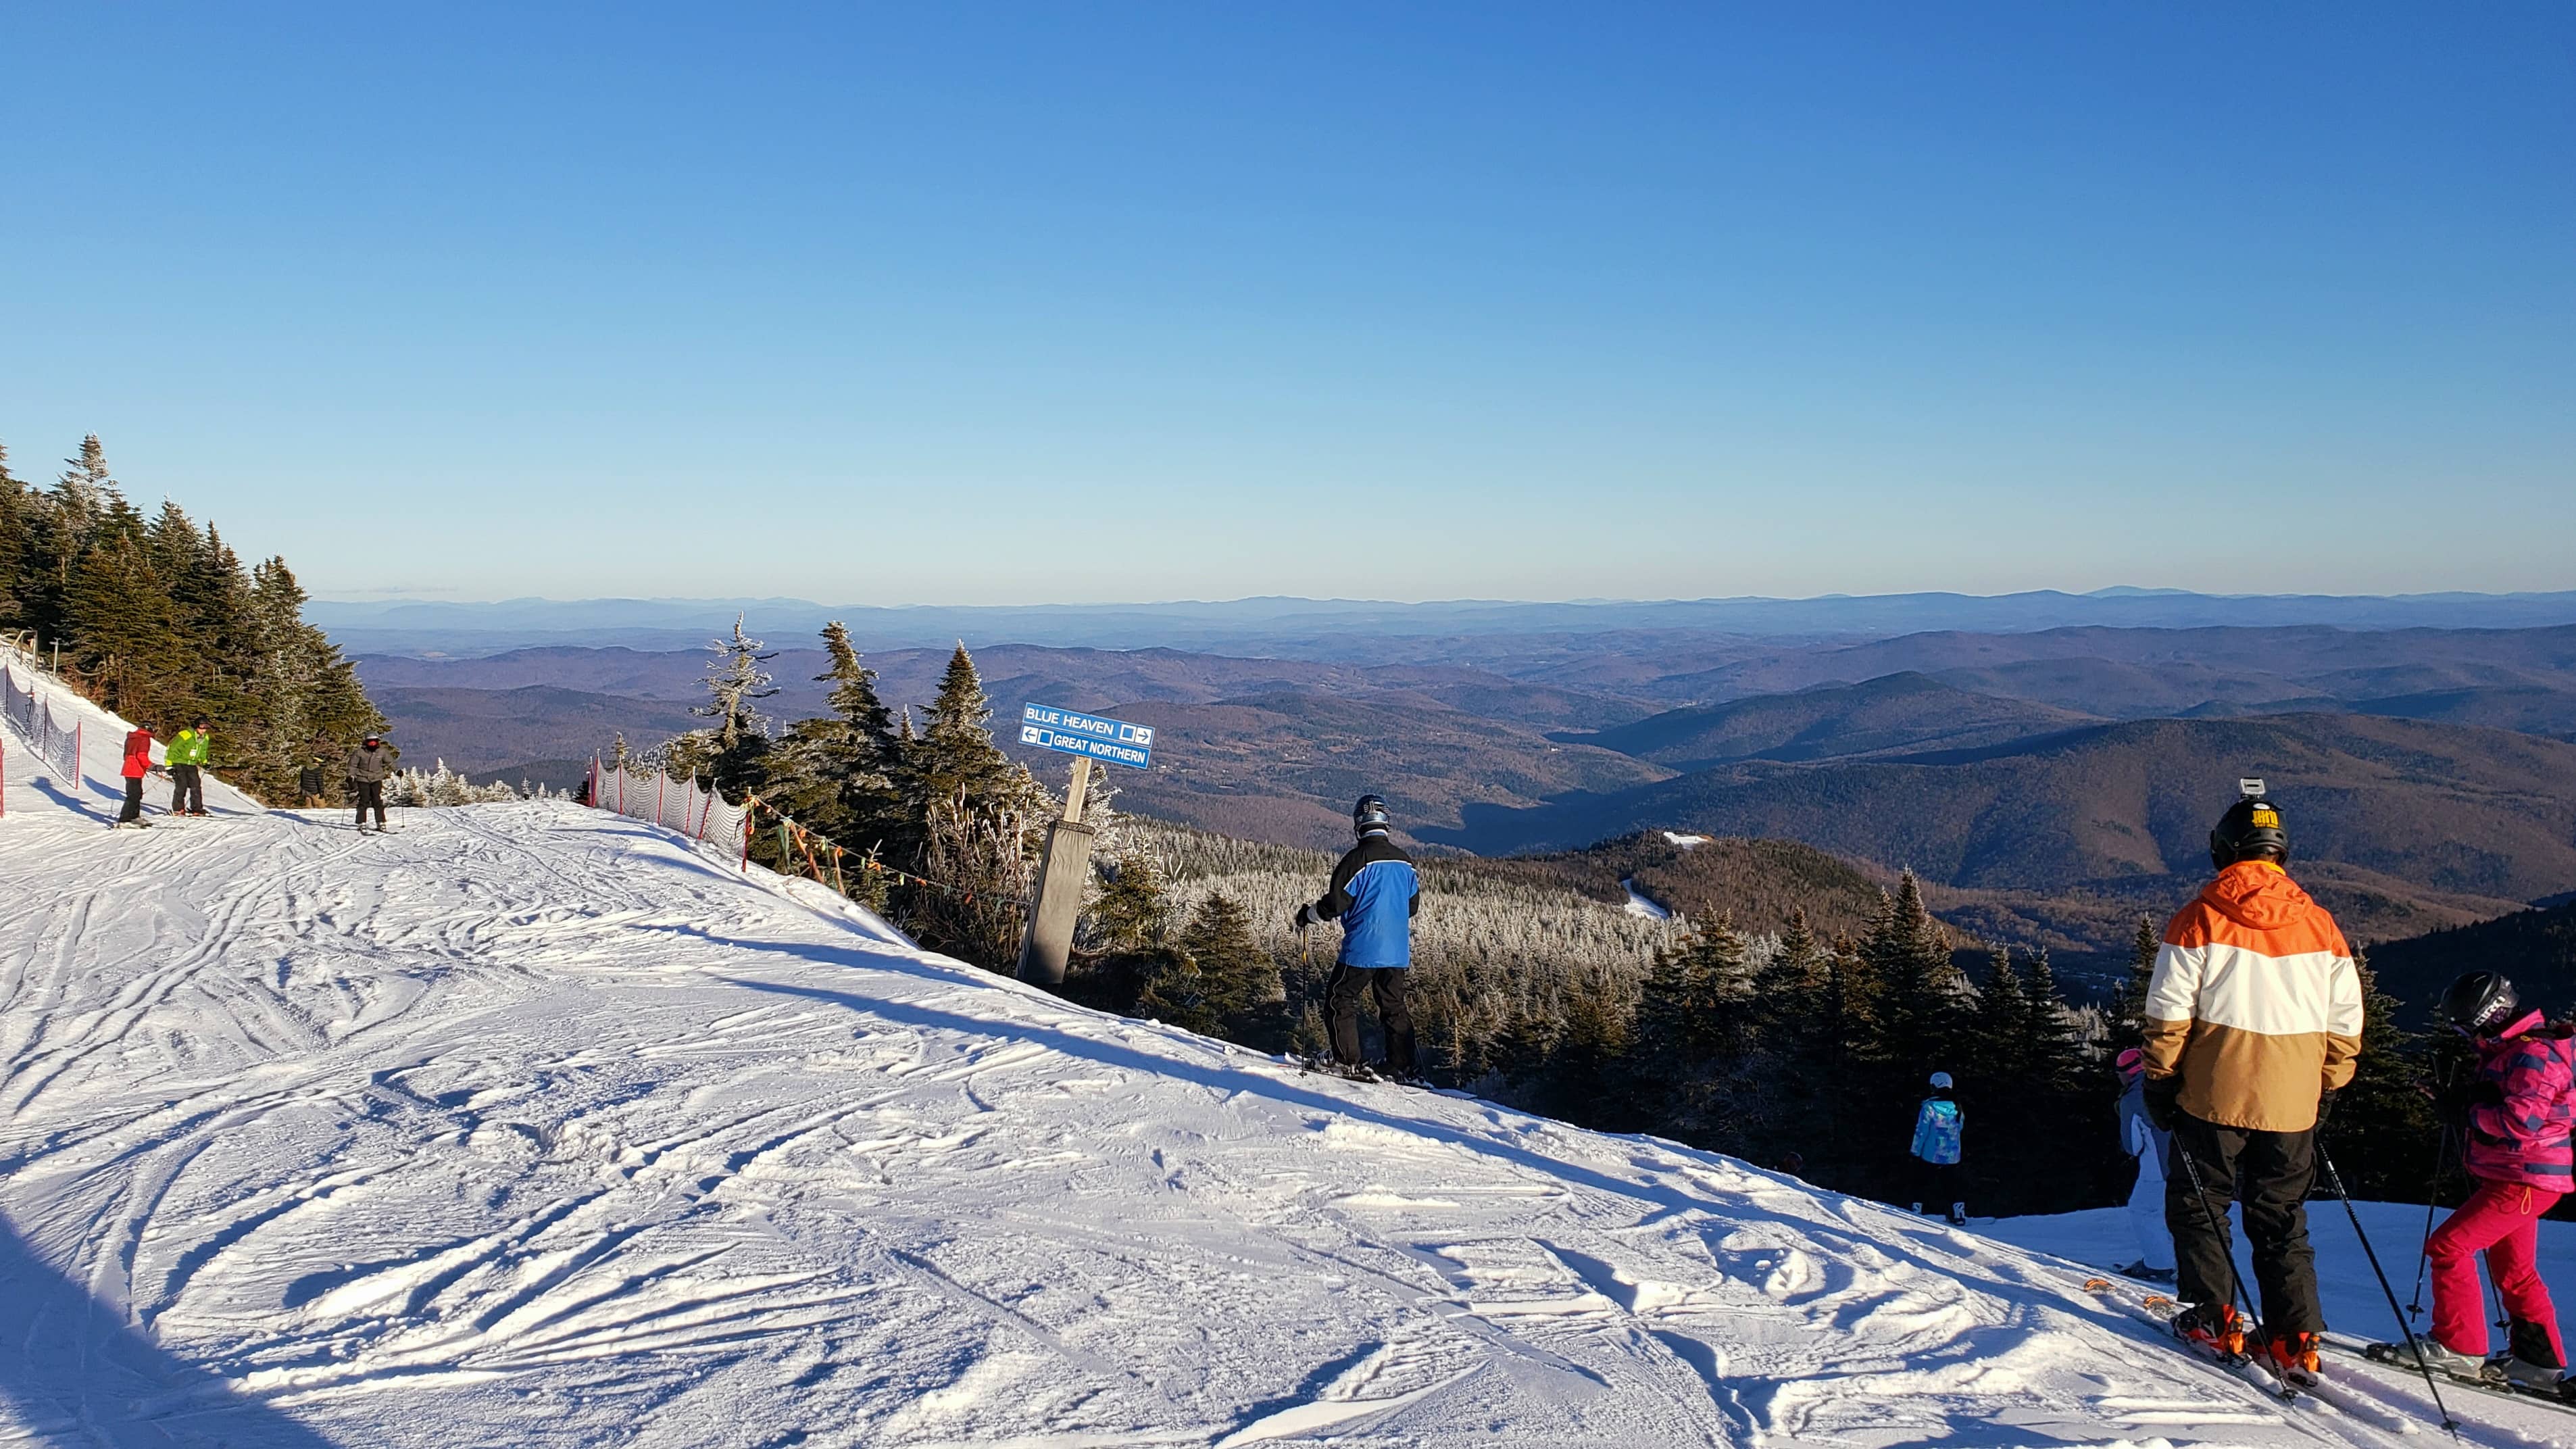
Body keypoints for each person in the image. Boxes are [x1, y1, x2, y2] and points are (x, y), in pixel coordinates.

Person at [2142, 783, 2362, 1384]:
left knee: (2200, 1204)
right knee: (2282, 1217)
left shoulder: (2199, 919)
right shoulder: (2321, 926)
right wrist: (2329, 1082)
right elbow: (2346, 1021)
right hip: (2292, 1103)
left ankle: (2215, 1317)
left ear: (2224, 851)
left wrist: (2160, 1078)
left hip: (2213, 1093)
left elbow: (2168, 1014)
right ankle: (2294, 1339)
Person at [2371, 971, 2576, 1392]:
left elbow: (2521, 1121)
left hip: (2525, 1178)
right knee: (2515, 1271)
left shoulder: (2533, 1054)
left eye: (2467, 1025)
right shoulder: (2512, 1050)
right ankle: (2537, 1361)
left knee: (2448, 1246)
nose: (2465, 1035)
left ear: (2490, 1014)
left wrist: (2466, 1112)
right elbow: (2505, 1104)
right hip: (2518, 1175)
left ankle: (2458, 1346)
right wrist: (2465, 1101)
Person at [1291, 794, 1420, 1079]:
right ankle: (1403, 1066)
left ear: (1359, 824)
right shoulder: (1405, 863)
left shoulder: (1357, 860)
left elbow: (1336, 904)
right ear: (1386, 823)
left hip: (1363, 946)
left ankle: (1346, 1059)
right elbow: (1412, 907)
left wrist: (1307, 915)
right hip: (1397, 950)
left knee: (1340, 999)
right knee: (1393, 1006)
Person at [2115, 1047, 2177, 1283]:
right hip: (2191, 1161)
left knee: (2143, 1210)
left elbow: (2133, 1145)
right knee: (2175, 1213)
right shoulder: (2168, 1084)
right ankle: (2180, 1263)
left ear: (2127, 1072)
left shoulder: (2132, 1098)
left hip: (2158, 1167)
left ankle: (2159, 1263)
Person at [1909, 1071, 1966, 1224]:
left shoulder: (1929, 1106)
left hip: (1930, 1153)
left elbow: (1921, 1131)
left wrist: (1915, 1151)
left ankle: (1916, 1211)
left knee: (1922, 1181)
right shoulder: (1957, 1106)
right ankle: (1958, 1214)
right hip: (1952, 1155)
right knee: (1951, 1185)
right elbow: (1959, 1128)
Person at [347, 733, 397, 831]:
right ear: (366, 742)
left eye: (375, 742)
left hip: (377, 778)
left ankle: (381, 822)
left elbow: (390, 762)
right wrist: (350, 775)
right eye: (370, 742)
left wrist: (397, 771)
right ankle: (361, 822)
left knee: (377, 800)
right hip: (363, 777)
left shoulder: (382, 752)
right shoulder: (359, 753)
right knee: (364, 799)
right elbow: (352, 765)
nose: (373, 744)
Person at [166, 716, 212, 816]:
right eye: (202, 727)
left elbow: (203, 751)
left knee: (196, 786)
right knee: (181, 785)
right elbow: (172, 749)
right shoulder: (186, 734)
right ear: (196, 726)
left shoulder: (205, 737)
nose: (203, 730)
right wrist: (169, 765)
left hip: (191, 764)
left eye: (206, 727)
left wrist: (204, 762)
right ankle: (178, 809)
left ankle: (197, 809)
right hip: (179, 762)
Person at [116, 722, 157, 828]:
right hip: (135, 769)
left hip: (130, 767)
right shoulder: (144, 738)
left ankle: (134, 816)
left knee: (137, 794)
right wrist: (152, 766)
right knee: (133, 795)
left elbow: (127, 754)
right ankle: (125, 820)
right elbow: (141, 755)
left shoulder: (133, 737)